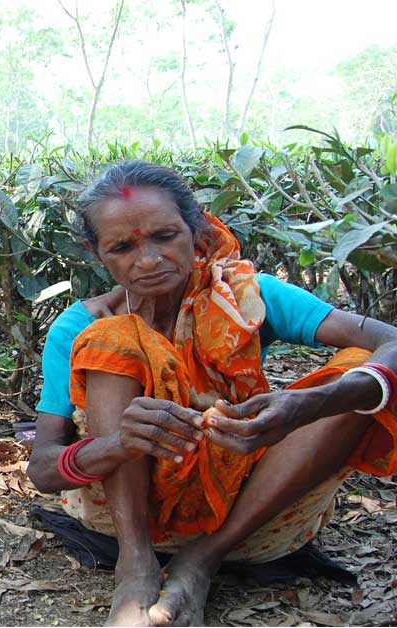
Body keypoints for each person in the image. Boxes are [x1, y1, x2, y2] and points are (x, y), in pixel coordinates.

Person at [25, 161, 397, 626]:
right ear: (97, 253)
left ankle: (201, 561)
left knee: (365, 369)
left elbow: (393, 341)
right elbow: (42, 468)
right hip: (120, 520)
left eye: (165, 236)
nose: (148, 260)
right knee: (110, 340)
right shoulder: (81, 325)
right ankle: (136, 565)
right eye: (122, 247)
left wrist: (307, 403)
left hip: (255, 520)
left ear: (195, 229)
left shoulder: (245, 297)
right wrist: (119, 443)